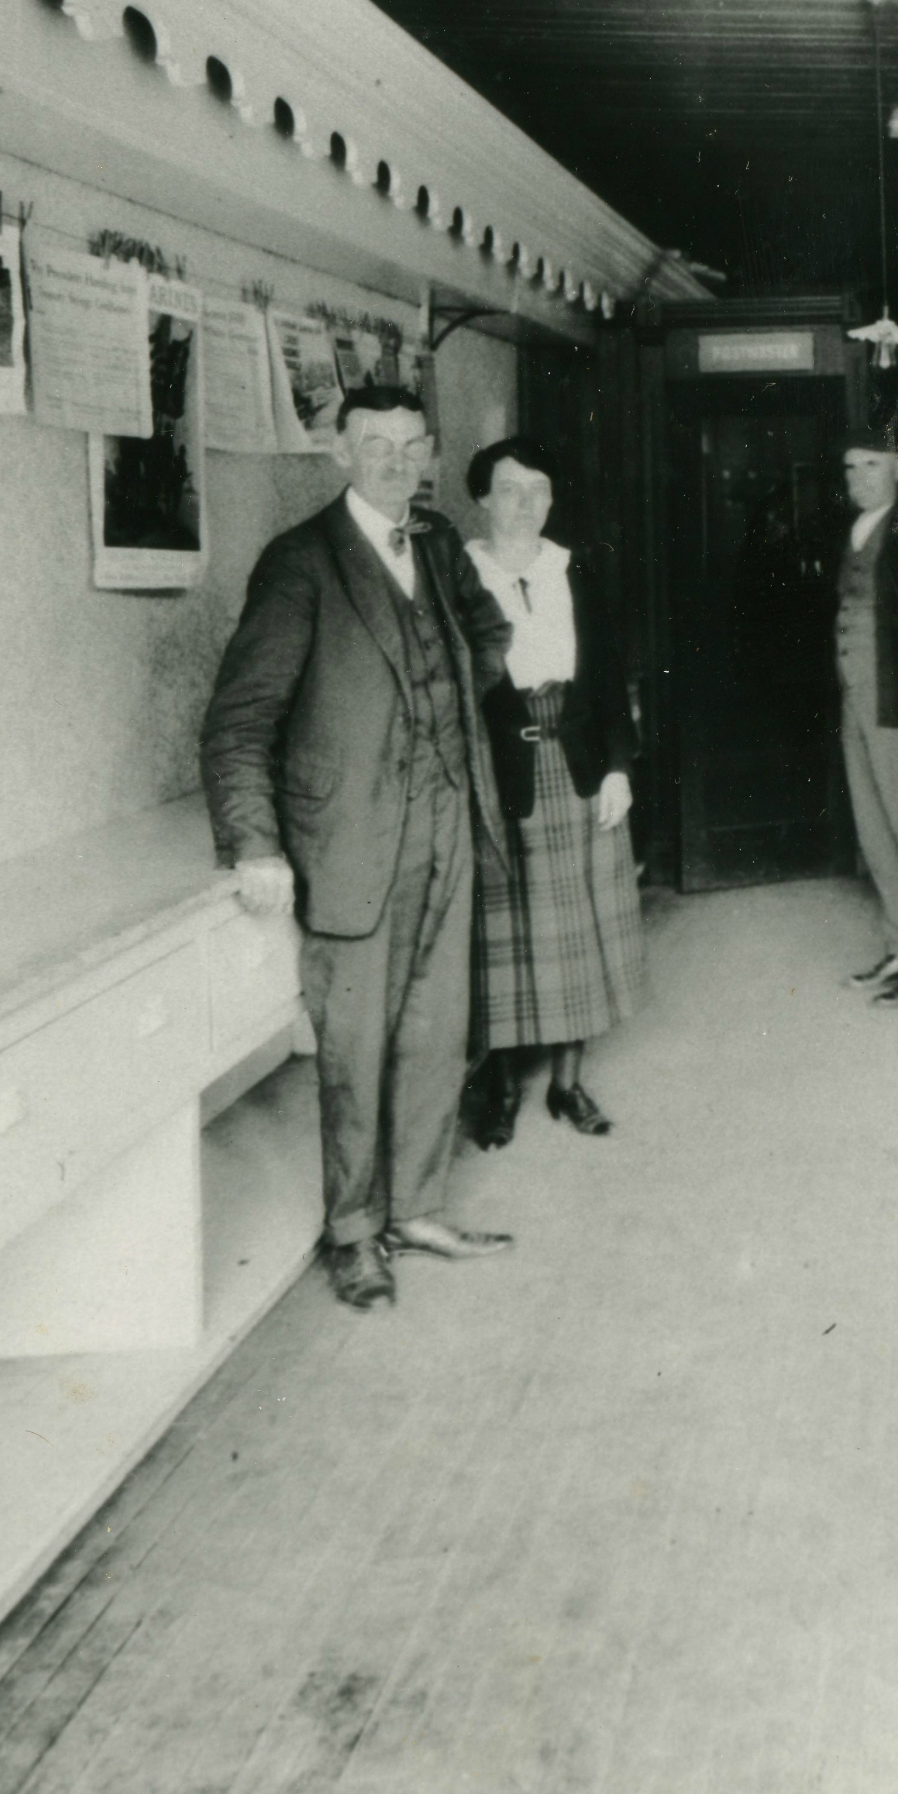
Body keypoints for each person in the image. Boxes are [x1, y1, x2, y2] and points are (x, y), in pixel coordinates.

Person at [200, 385, 516, 1310]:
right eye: (375, 444)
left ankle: (415, 1209)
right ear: (340, 453)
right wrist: (255, 842)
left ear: (429, 456)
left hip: (450, 819)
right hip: (350, 839)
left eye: (411, 445)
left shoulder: (440, 544)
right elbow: (238, 721)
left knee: (436, 1031)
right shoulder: (299, 561)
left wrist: (448, 701)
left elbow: (487, 630)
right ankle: (352, 1232)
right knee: (353, 1048)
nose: (395, 461)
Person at [454, 438, 645, 1144]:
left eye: (538, 489)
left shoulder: (574, 570)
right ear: (482, 498)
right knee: (502, 937)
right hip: (498, 774)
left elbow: (607, 676)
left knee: (578, 933)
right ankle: (502, 1086)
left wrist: (619, 767)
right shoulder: (458, 577)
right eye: (509, 489)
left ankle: (567, 1084)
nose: (525, 503)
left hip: (579, 765)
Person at [833, 408, 898, 1006]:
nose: (859, 477)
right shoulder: (853, 527)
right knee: (873, 827)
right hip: (856, 699)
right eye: (851, 467)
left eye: (872, 465)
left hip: (895, 702)